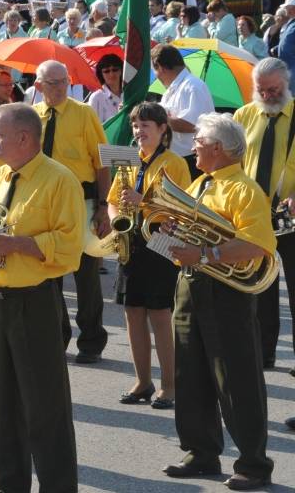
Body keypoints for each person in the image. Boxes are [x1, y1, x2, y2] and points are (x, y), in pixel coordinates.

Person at [0, 102, 84, 493]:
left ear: (24, 138)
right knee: (4, 403)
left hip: (35, 301)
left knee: (45, 408)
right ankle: (10, 484)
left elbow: (69, 248)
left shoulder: (59, 179)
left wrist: (15, 244)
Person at [161, 113, 275, 491]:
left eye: (199, 141)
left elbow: (258, 244)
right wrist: (170, 230)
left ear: (218, 148)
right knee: (189, 373)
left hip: (227, 292)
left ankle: (254, 464)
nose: (193, 146)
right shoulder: (199, 184)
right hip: (190, 286)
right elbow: (189, 233)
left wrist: (207, 254)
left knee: (236, 379)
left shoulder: (244, 189)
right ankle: (200, 452)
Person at [108, 102, 190, 410]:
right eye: (135, 126)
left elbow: (182, 210)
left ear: (162, 129)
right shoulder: (129, 161)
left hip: (160, 244)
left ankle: (170, 385)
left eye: (145, 126)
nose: (138, 131)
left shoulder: (175, 163)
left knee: (159, 315)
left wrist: (143, 203)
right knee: (132, 313)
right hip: (131, 244)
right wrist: (117, 219)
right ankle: (143, 381)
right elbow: (114, 199)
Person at [33, 60, 110, 363]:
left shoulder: (83, 114)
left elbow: (101, 163)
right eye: (53, 83)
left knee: (86, 276)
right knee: (48, 273)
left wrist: (103, 208)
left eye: (64, 81)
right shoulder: (32, 116)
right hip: (46, 203)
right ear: (38, 86)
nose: (61, 87)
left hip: (82, 201)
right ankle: (57, 336)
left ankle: (91, 341)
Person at [233, 58, 295, 369]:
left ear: (286, 84)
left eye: (274, 89)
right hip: (255, 217)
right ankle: (263, 353)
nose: (268, 95)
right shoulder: (244, 115)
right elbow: (233, 165)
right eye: (262, 90)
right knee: (260, 288)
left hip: (292, 218)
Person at [152, 43, 216, 177]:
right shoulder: (173, 90)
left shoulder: (193, 86)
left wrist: (156, 117)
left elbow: (193, 125)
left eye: (155, 70)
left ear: (160, 67)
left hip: (192, 162)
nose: (157, 77)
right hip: (176, 159)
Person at [87, 54, 124, 123]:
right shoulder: (96, 98)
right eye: (106, 71)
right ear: (101, 74)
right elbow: (92, 126)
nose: (111, 74)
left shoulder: (130, 93)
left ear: (121, 71)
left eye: (115, 70)